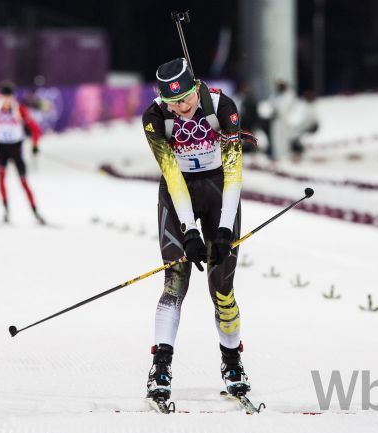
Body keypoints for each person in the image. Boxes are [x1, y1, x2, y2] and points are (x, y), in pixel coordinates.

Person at [141, 58, 250, 402]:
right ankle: (160, 367)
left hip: (219, 189)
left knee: (222, 287)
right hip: (179, 192)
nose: (181, 108)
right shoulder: (154, 118)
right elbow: (172, 176)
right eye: (173, 103)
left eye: (186, 99)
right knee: (175, 279)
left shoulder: (223, 107)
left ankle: (232, 363)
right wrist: (189, 231)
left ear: (196, 86)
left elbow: (234, 173)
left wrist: (221, 231)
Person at [0, 81, 45, 225]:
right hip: (1, 149)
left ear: (12, 97)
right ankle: (6, 212)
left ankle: (35, 212)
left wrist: (35, 145)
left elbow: (35, 129)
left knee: (24, 182)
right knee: (1, 180)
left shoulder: (19, 109)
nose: (6, 100)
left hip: (16, 149)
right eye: (3, 96)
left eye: (8, 97)